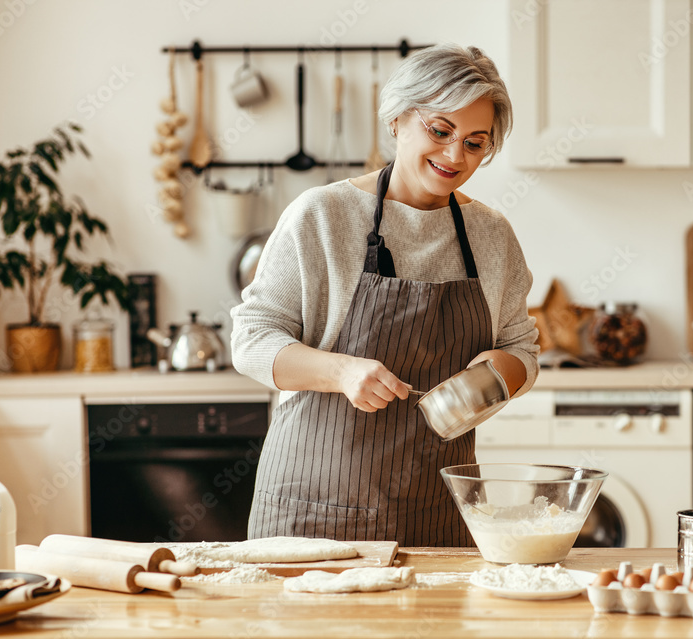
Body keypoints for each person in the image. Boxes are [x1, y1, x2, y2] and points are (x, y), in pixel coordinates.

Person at [231, 43, 539, 546]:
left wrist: (496, 375)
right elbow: (251, 340)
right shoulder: (322, 216)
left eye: (475, 142)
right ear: (397, 119)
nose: (454, 156)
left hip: (438, 511)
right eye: (440, 131)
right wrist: (342, 371)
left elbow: (522, 348)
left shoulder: (492, 235)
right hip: (314, 510)